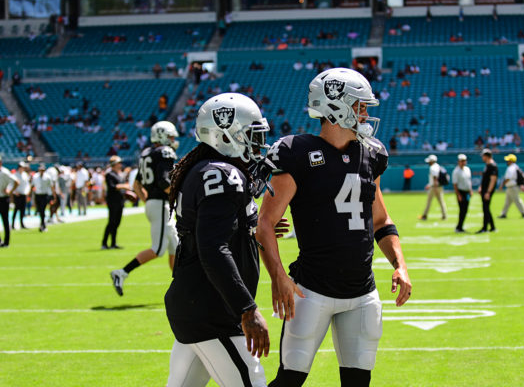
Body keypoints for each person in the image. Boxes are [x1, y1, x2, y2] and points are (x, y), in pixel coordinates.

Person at [256, 68, 412, 387]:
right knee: (288, 381)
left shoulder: (371, 153)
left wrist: (401, 265)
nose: (366, 113)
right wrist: (278, 278)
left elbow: (381, 221)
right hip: (311, 290)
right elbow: (265, 224)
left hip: (363, 292)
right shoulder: (296, 152)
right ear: (335, 106)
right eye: (360, 105)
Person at [164, 93, 273, 387]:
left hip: (195, 303)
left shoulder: (208, 170)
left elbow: (214, 230)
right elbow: (212, 247)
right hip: (213, 309)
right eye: (252, 134)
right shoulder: (222, 175)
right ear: (227, 135)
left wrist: (247, 230)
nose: (258, 142)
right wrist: (246, 309)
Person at [110, 121, 180, 296]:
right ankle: (122, 273)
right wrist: (179, 197)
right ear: (163, 136)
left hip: (154, 204)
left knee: (176, 247)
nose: (173, 140)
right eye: (170, 136)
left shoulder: (146, 153)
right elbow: (164, 182)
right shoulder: (164, 152)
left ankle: (180, 286)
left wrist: (147, 200)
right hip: (161, 205)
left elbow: (136, 184)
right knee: (158, 249)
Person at [0, 155, 19, 247]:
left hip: (3, 199)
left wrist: (9, 191)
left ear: (0, 163)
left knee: (5, 220)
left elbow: (16, 182)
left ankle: (6, 242)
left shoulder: (5, 172)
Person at [101, 156, 130, 249]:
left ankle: (113, 243)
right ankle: (104, 243)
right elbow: (112, 186)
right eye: (119, 163)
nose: (120, 164)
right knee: (111, 222)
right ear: (115, 164)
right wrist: (123, 186)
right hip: (113, 201)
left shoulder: (119, 174)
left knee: (117, 222)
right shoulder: (109, 174)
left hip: (120, 200)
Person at [498, 154, 524, 219]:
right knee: (507, 201)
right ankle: (503, 214)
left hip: (512, 187)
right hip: (511, 187)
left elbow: (508, 178)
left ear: (511, 161)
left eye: (508, 160)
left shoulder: (511, 168)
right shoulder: (514, 167)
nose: (507, 162)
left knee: (517, 200)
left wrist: (502, 185)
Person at [420, 154, 447, 220]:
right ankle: (444, 215)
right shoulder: (437, 166)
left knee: (429, 201)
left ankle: (424, 215)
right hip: (438, 186)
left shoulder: (433, 167)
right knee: (441, 201)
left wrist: (434, 187)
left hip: (435, 187)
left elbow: (435, 178)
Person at [477, 149, 498, 233]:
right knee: (486, 208)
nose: (482, 157)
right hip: (485, 189)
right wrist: (481, 187)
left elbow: (493, 180)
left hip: (487, 191)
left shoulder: (492, 165)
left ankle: (485, 228)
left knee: (486, 208)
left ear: (486, 156)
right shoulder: (488, 165)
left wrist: (488, 192)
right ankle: (492, 227)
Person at [452, 154, 472, 232]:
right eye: (461, 161)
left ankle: (460, 226)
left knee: (465, 210)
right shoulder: (456, 171)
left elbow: (468, 181)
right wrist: (458, 195)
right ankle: (459, 227)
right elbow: (455, 184)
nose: (463, 162)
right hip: (461, 192)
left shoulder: (467, 169)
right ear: (458, 162)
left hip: (466, 192)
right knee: (462, 210)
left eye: (464, 161)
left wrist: (470, 190)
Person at [12, 162, 30, 230]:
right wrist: (14, 192)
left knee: (23, 209)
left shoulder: (25, 175)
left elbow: (27, 184)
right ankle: (13, 224)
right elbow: (12, 184)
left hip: (23, 194)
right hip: (17, 194)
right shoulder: (15, 175)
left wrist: (27, 192)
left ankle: (21, 223)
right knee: (16, 209)